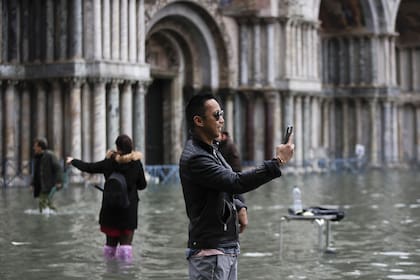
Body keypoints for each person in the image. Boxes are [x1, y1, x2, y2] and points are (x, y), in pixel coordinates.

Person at [179, 93, 294, 280]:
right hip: (210, 252)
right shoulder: (196, 158)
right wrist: (277, 162)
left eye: (222, 114)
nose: (222, 120)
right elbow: (235, 181)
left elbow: (227, 180)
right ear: (199, 121)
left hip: (225, 248)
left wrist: (240, 206)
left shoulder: (211, 150)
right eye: (217, 115)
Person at [66, 134, 147, 261]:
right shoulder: (136, 164)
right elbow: (142, 185)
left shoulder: (109, 162)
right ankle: (126, 274)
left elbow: (89, 167)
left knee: (110, 246)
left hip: (110, 208)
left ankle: (109, 273)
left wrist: (73, 161)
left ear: (118, 148)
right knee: (126, 246)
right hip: (128, 209)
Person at [31, 137, 63, 213]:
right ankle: (56, 213)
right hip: (40, 185)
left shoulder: (50, 155)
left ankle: (45, 221)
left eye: (35, 146)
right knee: (47, 203)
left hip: (47, 184)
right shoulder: (37, 157)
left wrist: (59, 181)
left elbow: (58, 168)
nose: (34, 148)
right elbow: (36, 172)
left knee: (42, 203)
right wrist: (32, 183)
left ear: (40, 147)